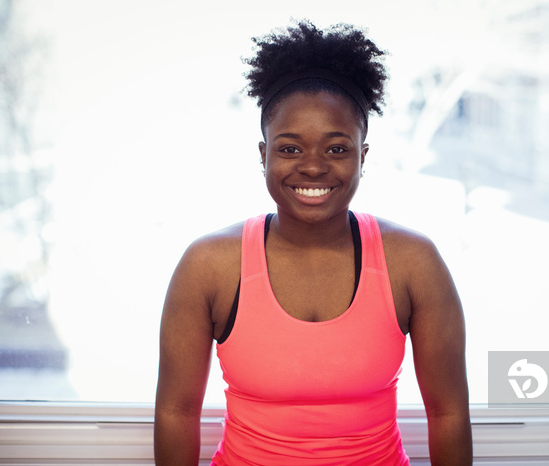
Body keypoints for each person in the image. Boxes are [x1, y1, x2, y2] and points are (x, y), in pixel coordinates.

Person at [154, 20, 472, 466]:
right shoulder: (209, 265)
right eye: (289, 149)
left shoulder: (413, 263)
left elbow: (449, 412)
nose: (313, 167)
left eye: (337, 149)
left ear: (363, 156)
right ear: (263, 154)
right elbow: (176, 411)